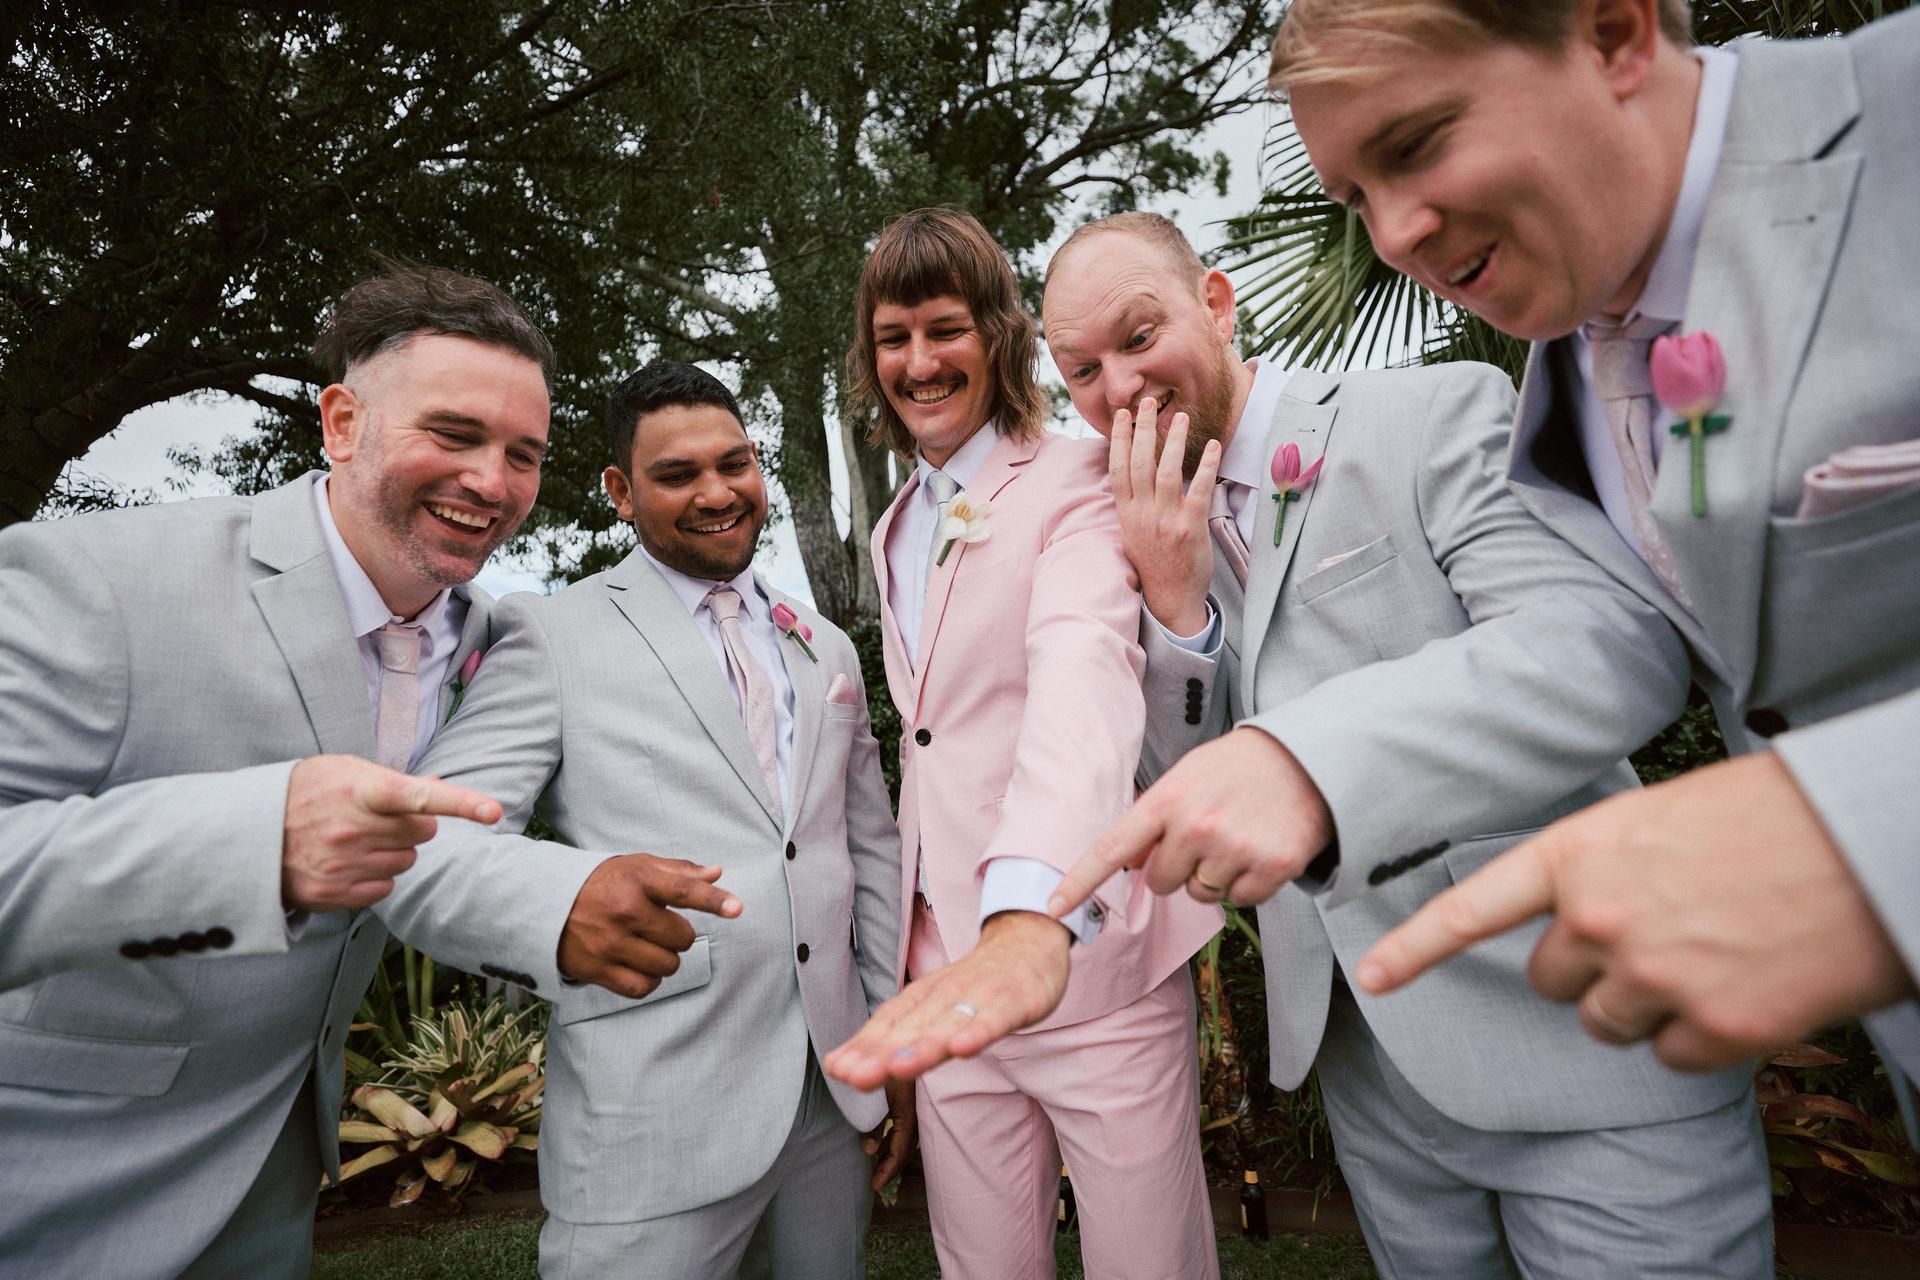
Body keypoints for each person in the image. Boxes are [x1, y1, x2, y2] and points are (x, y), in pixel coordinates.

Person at [832, 211, 1776, 1276]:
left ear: (1218, 303)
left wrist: (1304, 766)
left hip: (1573, 1023)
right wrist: (1178, 606)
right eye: (1082, 367)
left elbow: (1609, 645)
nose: (1117, 386)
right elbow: (1161, 774)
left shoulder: (1427, 414)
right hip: (1362, 1060)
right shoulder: (1134, 514)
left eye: (1140, 337)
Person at [0, 268, 723, 1279]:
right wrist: (255, 842)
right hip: (57, 1181)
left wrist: (566, 895)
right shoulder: (97, 580)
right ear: (342, 423)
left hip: (278, 1178)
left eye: (524, 454)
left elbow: (452, 847)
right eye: (456, 434)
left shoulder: (502, 640)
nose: (493, 481)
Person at [1263, 0, 1920, 1110]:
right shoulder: (1577, 352)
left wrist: (1870, 824)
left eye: (1416, 144)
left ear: (1615, 33)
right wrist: (1299, 766)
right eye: (1354, 200)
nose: (1390, 238)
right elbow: (1626, 637)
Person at [405, 358, 905, 1279]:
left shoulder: (822, 641)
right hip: (652, 1118)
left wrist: (888, 1041)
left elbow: (864, 849)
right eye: (677, 476)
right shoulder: (551, 634)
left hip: (833, 1103)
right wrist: (571, 897)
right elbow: (432, 840)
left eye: (736, 463)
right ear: (620, 492)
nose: (718, 493)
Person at [824, 208, 1221, 1279]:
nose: (919, 361)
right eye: (892, 336)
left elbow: (1082, 677)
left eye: (944, 327)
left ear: (997, 333)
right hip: (944, 971)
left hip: (1089, 953)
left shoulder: (1082, 475)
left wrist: (1029, 908)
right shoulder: (897, 519)